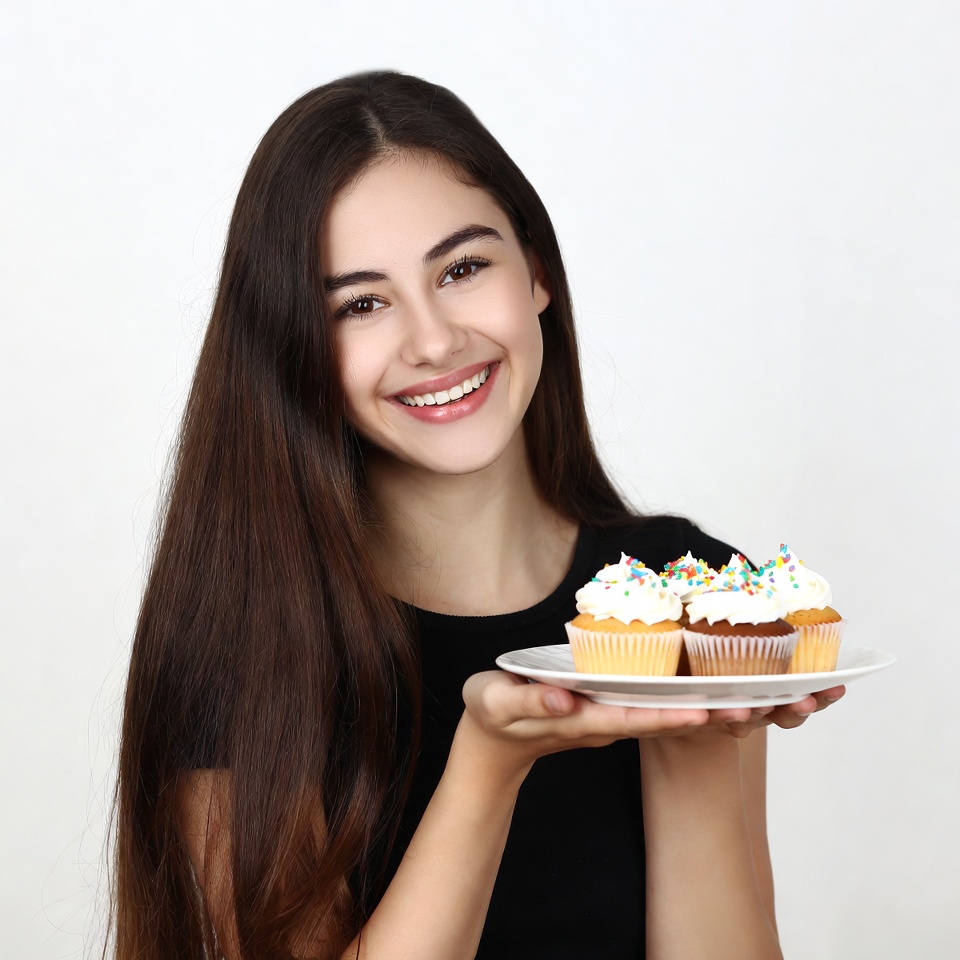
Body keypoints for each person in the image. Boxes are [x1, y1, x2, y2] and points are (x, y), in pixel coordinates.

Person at [113, 71, 844, 960]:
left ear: (535, 271)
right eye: (362, 304)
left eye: (462, 268)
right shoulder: (246, 644)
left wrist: (690, 733)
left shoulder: (685, 592)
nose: (433, 341)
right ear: (297, 348)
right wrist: (488, 765)